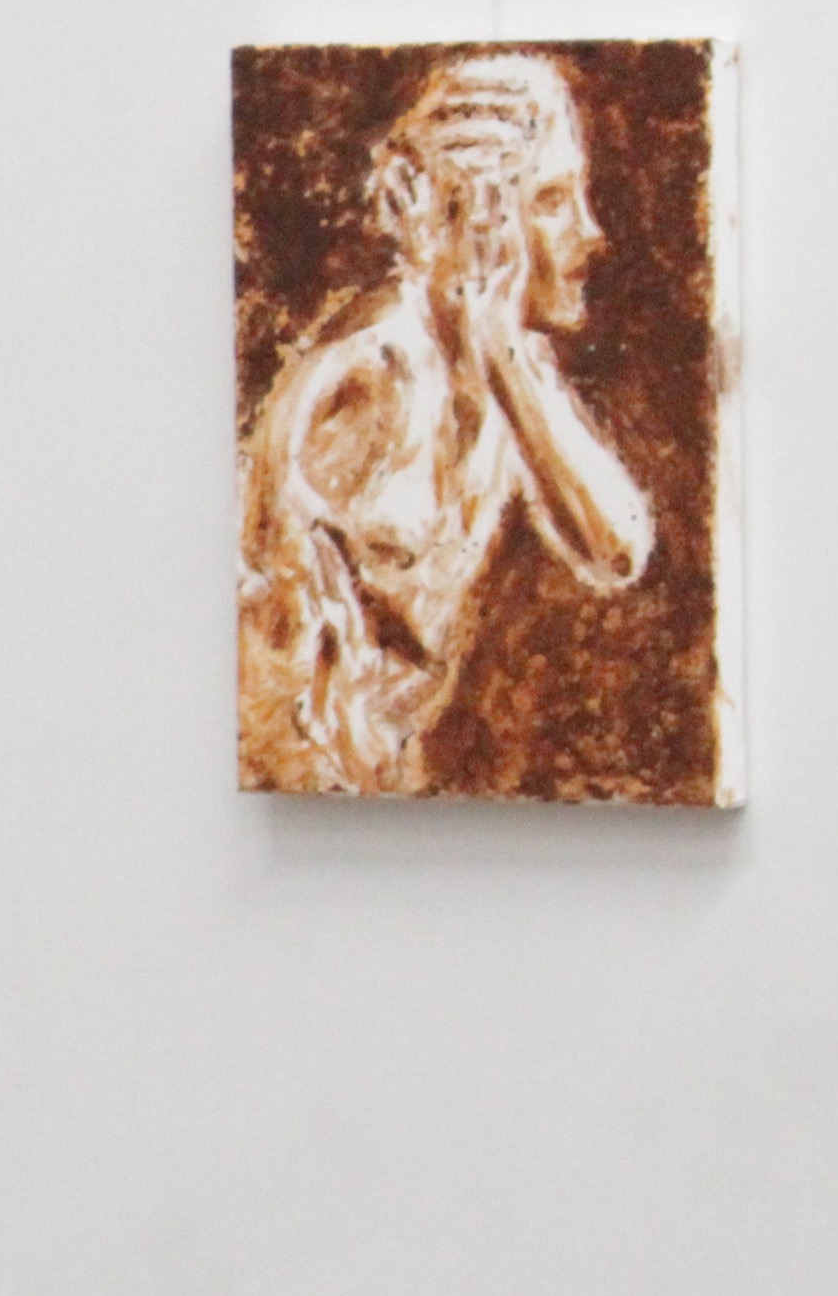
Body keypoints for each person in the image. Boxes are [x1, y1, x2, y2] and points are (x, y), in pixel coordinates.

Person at [239, 51, 657, 795]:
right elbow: (272, 654)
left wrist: (496, 341)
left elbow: (619, 547)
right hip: (303, 782)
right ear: (480, 218)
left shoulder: (507, 365)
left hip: (377, 782)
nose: (590, 231)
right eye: (551, 199)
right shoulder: (372, 381)